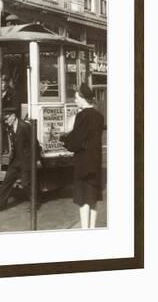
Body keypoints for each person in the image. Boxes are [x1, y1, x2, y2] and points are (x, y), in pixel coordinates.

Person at [61, 83, 104, 229]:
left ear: (83, 98)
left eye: (76, 97)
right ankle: (92, 228)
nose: (75, 100)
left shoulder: (82, 116)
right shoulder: (99, 116)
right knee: (93, 198)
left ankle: (85, 231)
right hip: (95, 163)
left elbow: (76, 141)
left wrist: (64, 140)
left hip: (83, 164)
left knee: (83, 199)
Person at [0, 107, 34, 212]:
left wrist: (35, 160)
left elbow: (33, 144)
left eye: (7, 118)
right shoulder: (9, 126)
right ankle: (0, 205)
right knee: (6, 182)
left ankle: (34, 203)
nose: (6, 121)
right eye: (4, 119)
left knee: (26, 184)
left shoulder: (25, 126)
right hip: (15, 160)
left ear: (13, 116)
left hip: (25, 160)